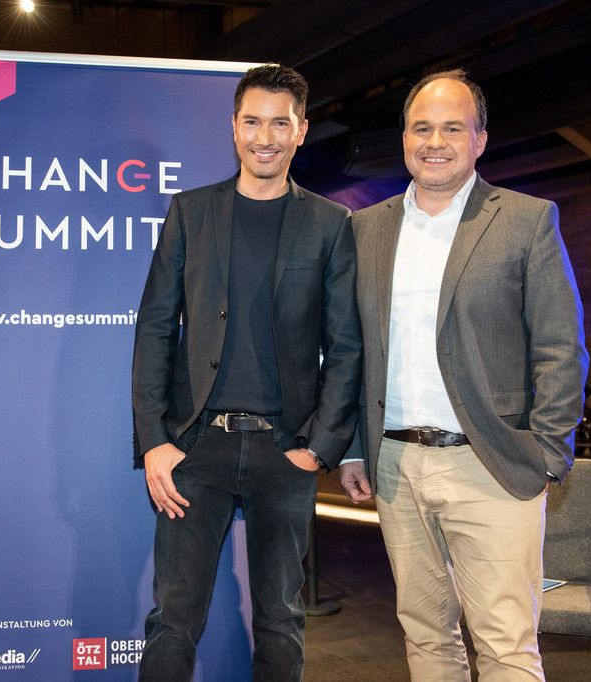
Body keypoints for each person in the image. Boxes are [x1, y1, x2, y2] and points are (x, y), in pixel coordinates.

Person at [339, 69, 587, 681]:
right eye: (421, 128)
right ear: (404, 138)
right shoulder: (365, 228)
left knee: (505, 645)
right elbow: (350, 348)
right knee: (426, 637)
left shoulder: (526, 219)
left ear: (480, 140)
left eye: (453, 128)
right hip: (395, 466)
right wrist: (352, 448)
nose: (435, 142)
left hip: (493, 462)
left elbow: (560, 346)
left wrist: (547, 451)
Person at [132, 64, 362, 682]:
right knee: (172, 618)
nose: (265, 137)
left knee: (281, 621)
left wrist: (318, 447)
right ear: (234, 127)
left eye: (280, 124)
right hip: (194, 448)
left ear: (301, 130)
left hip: (285, 451)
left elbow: (346, 346)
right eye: (253, 121)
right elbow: (155, 328)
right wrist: (154, 440)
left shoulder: (331, 224)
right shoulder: (190, 212)